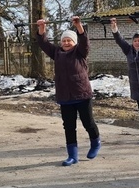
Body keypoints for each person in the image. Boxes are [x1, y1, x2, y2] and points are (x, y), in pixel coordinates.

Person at [36, 16, 101, 166]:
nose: (66, 43)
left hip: (82, 94)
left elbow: (84, 41)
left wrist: (78, 26)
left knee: (88, 122)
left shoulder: (80, 53)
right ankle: (72, 155)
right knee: (69, 126)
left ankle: (96, 142)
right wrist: (42, 28)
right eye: (64, 40)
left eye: (69, 40)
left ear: (74, 42)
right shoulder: (56, 53)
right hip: (65, 96)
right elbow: (43, 43)